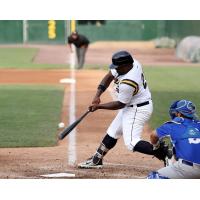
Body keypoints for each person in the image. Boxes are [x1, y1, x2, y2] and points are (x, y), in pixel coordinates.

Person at [78, 50, 154, 169]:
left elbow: (120, 104)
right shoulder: (132, 63)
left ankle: (164, 152)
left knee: (131, 142)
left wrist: (99, 106)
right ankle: (97, 159)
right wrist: (97, 95)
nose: (116, 69)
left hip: (138, 109)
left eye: (118, 67)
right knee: (113, 132)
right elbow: (109, 76)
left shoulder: (129, 82)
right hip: (132, 106)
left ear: (126, 65)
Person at [147, 99, 200, 179]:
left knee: (152, 178)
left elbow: (153, 136)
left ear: (179, 114)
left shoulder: (173, 124)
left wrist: (156, 146)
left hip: (187, 169)